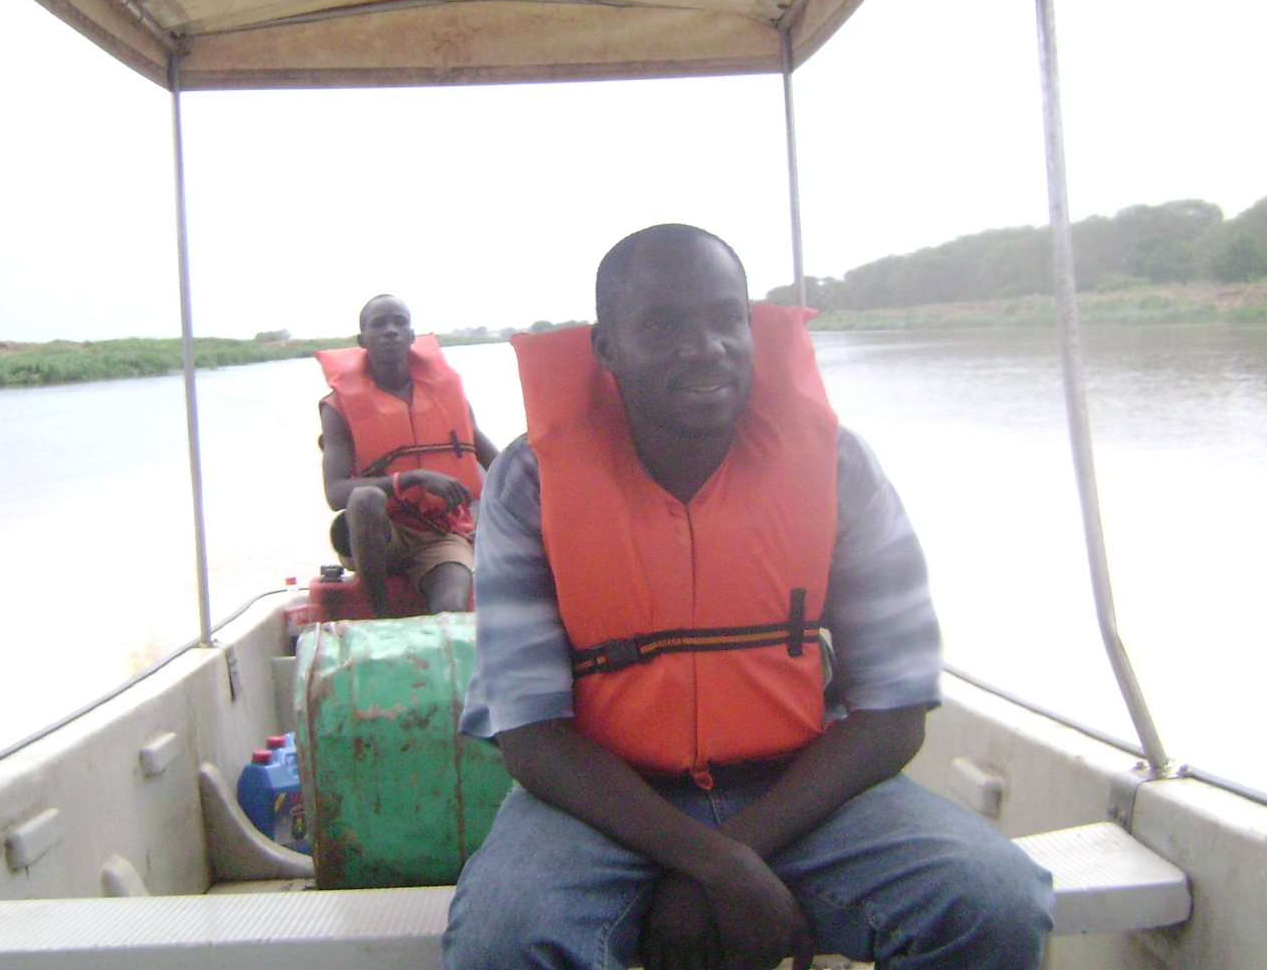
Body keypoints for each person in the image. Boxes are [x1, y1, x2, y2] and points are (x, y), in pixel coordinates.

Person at [444, 225, 1052, 970]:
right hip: (598, 803)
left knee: (993, 902)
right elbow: (532, 738)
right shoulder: (529, 484)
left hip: (803, 787)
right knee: (503, 944)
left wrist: (726, 860)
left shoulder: (837, 465)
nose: (704, 347)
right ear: (605, 348)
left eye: (725, 318)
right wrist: (715, 865)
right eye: (662, 325)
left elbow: (894, 712)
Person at [317, 294, 498, 617]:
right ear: (363, 341)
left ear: (412, 337)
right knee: (365, 498)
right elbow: (335, 494)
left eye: (400, 322)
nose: (391, 331)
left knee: (452, 608)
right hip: (378, 533)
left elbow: (498, 467)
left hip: (441, 533)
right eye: (379, 324)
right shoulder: (338, 407)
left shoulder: (449, 397)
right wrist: (411, 478)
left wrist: (494, 523)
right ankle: (380, 618)